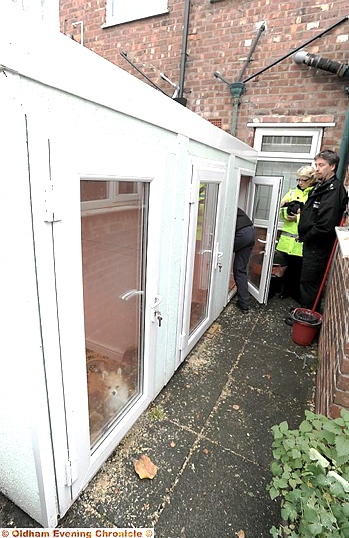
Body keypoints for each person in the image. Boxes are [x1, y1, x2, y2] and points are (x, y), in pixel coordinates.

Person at [285, 150, 347, 324]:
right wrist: (300, 206)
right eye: (316, 165)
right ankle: (304, 309)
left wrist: (305, 236)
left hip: (318, 247)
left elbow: (325, 226)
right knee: (306, 280)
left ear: (332, 166)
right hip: (312, 244)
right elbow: (313, 210)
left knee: (309, 283)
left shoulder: (333, 191)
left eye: (321, 165)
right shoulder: (322, 186)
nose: (317, 169)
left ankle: (305, 319)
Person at [275, 165, 317, 303]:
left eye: (303, 180)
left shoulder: (314, 194)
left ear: (311, 179)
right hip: (287, 240)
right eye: (298, 179)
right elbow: (280, 209)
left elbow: (313, 217)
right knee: (285, 268)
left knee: (298, 270)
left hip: (301, 241)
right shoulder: (292, 192)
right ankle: (285, 291)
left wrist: (297, 217)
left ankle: (296, 294)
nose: (300, 182)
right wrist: (286, 215)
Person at [233, 208, 255, 314]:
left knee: (218, 256)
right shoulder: (235, 208)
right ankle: (244, 304)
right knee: (240, 269)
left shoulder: (217, 203)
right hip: (250, 232)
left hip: (242, 233)